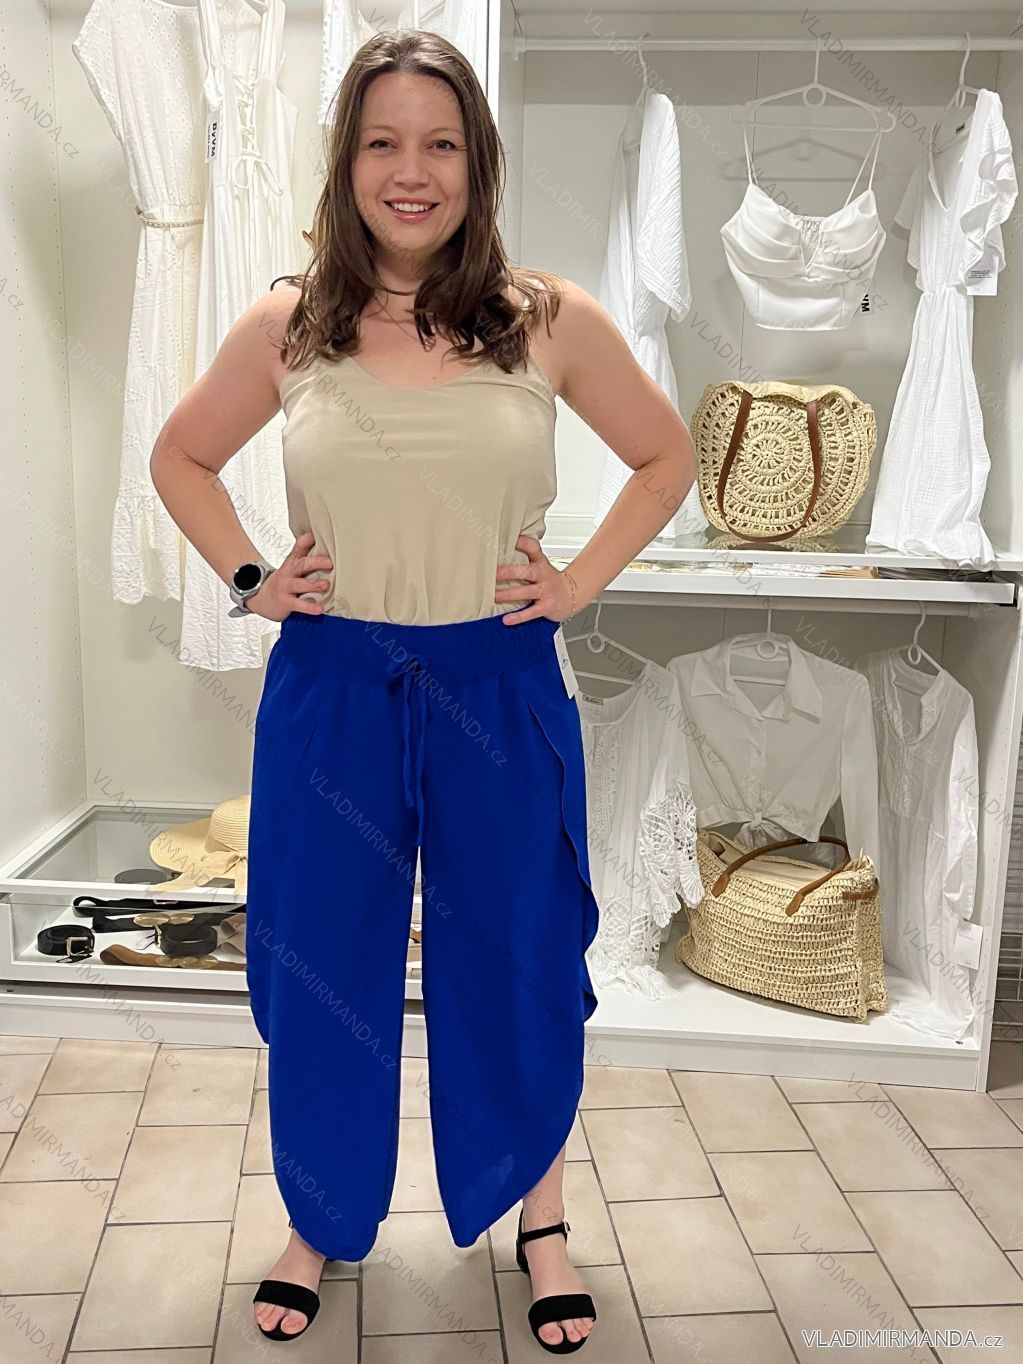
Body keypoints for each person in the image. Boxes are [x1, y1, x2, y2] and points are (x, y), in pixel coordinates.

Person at [150, 29, 695, 1355]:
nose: (413, 171)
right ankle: (319, 1219)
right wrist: (252, 577)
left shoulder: (549, 319)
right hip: (333, 690)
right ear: (346, 162)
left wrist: (575, 584)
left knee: (517, 958)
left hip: (496, 689)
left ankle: (541, 1221)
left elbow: (664, 457)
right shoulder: (287, 325)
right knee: (318, 962)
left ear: (477, 162)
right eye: (383, 142)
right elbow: (180, 457)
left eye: (440, 143)